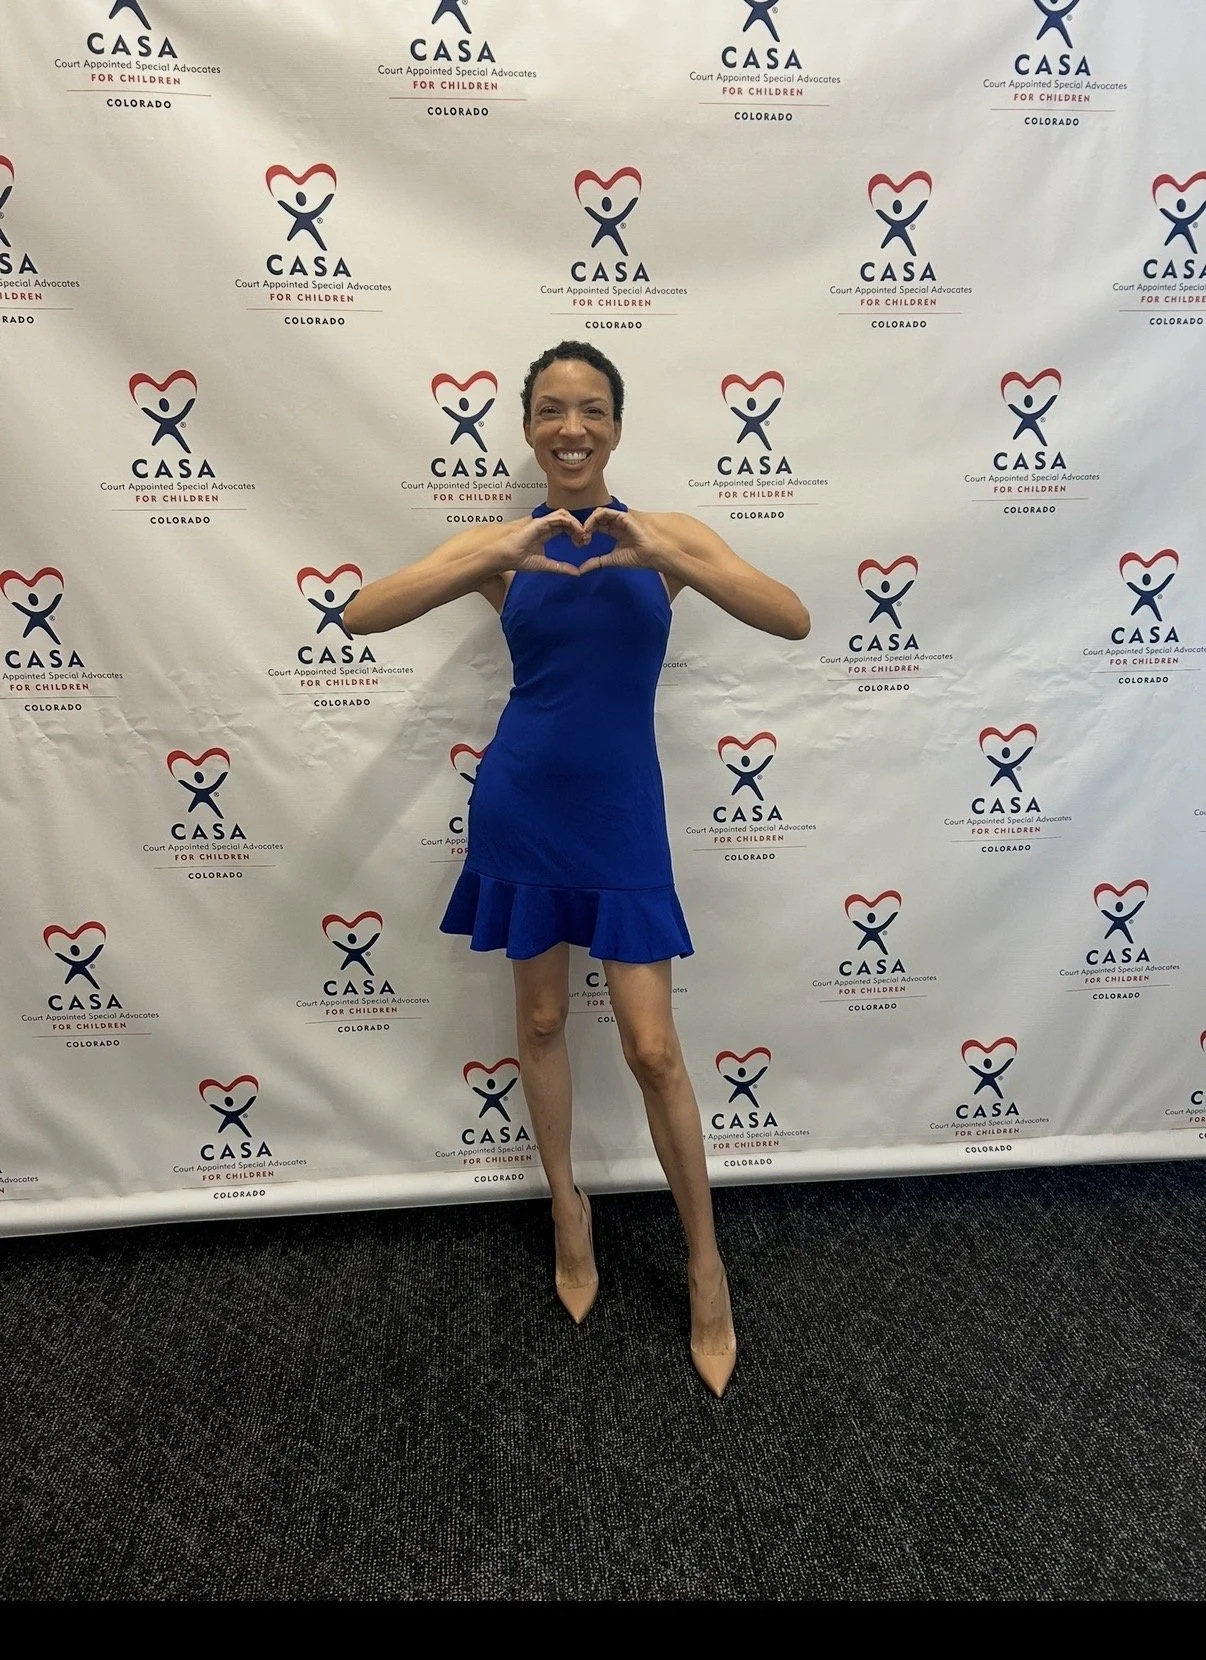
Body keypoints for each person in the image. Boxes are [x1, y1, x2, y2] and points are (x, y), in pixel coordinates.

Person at [344, 341, 810, 1397]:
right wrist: (487, 554)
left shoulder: (665, 536)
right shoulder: (506, 548)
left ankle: (705, 1268)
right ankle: (568, 1207)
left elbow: (791, 615)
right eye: (551, 409)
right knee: (543, 1023)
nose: (571, 427)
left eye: (591, 409)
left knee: (655, 1050)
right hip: (524, 803)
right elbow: (363, 611)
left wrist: (673, 558)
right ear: (526, 426)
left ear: (616, 425)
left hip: (622, 815)